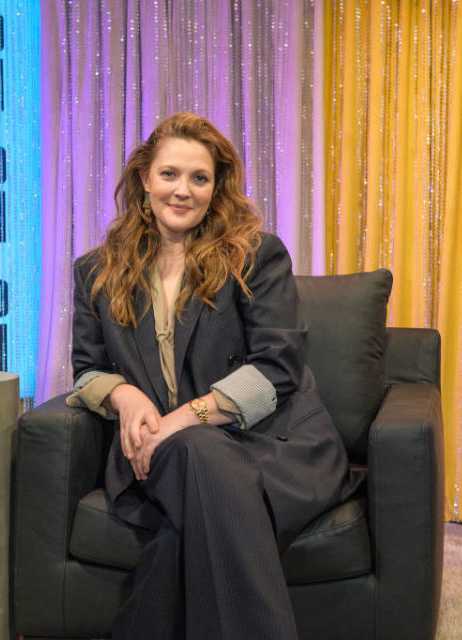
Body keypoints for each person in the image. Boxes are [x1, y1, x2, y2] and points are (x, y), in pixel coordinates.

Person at [67, 112, 357, 639]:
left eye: (199, 178)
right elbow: (86, 369)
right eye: (170, 174)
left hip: (274, 446)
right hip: (165, 454)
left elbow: (278, 368)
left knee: (195, 460)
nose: (183, 191)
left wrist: (180, 421)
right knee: (194, 456)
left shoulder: (256, 256)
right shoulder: (96, 271)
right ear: (144, 180)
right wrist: (127, 397)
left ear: (216, 188)